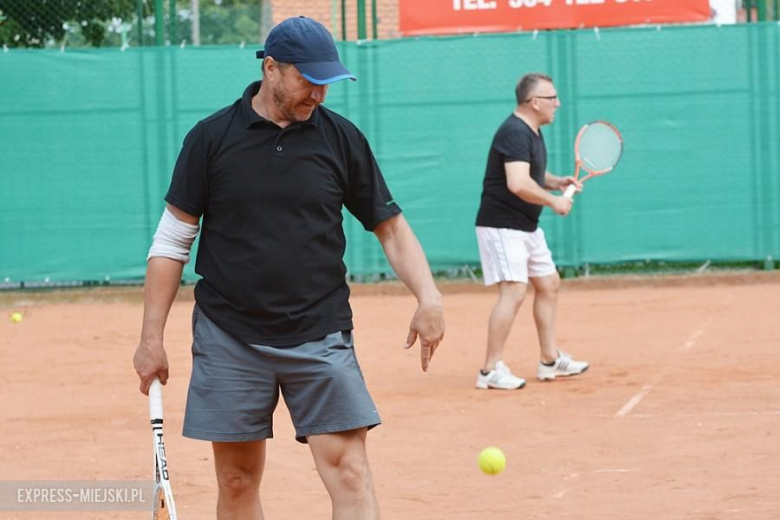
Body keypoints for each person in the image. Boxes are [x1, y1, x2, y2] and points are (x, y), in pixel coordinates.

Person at [133, 16, 444, 520]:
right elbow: (171, 242)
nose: (319, 93)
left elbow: (390, 227)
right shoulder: (210, 138)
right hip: (229, 334)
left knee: (349, 470)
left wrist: (428, 295)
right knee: (236, 481)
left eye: (327, 82)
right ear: (271, 68)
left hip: (319, 330)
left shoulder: (342, 139)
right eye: (309, 79)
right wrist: (151, 338)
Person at [474, 72, 588, 390]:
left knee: (549, 284)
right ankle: (489, 370)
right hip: (502, 226)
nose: (558, 104)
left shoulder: (530, 131)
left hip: (526, 225)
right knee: (514, 291)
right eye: (552, 98)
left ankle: (549, 360)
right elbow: (518, 183)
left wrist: (556, 182)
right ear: (535, 102)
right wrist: (554, 201)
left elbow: (530, 173)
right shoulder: (514, 132)